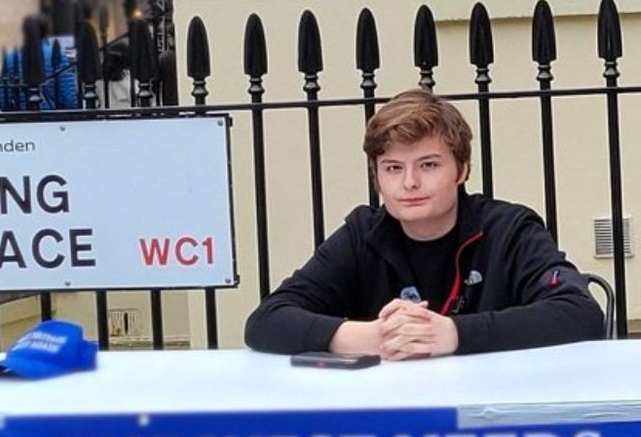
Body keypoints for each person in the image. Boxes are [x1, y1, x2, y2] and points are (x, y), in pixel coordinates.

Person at [244, 88, 604, 359]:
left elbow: (581, 313)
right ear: (376, 177)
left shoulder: (509, 229)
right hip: (390, 414)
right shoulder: (362, 234)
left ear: (462, 170)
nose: (410, 183)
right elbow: (266, 320)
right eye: (393, 168)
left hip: (492, 408)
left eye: (428, 165)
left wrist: (454, 334)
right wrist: (372, 337)